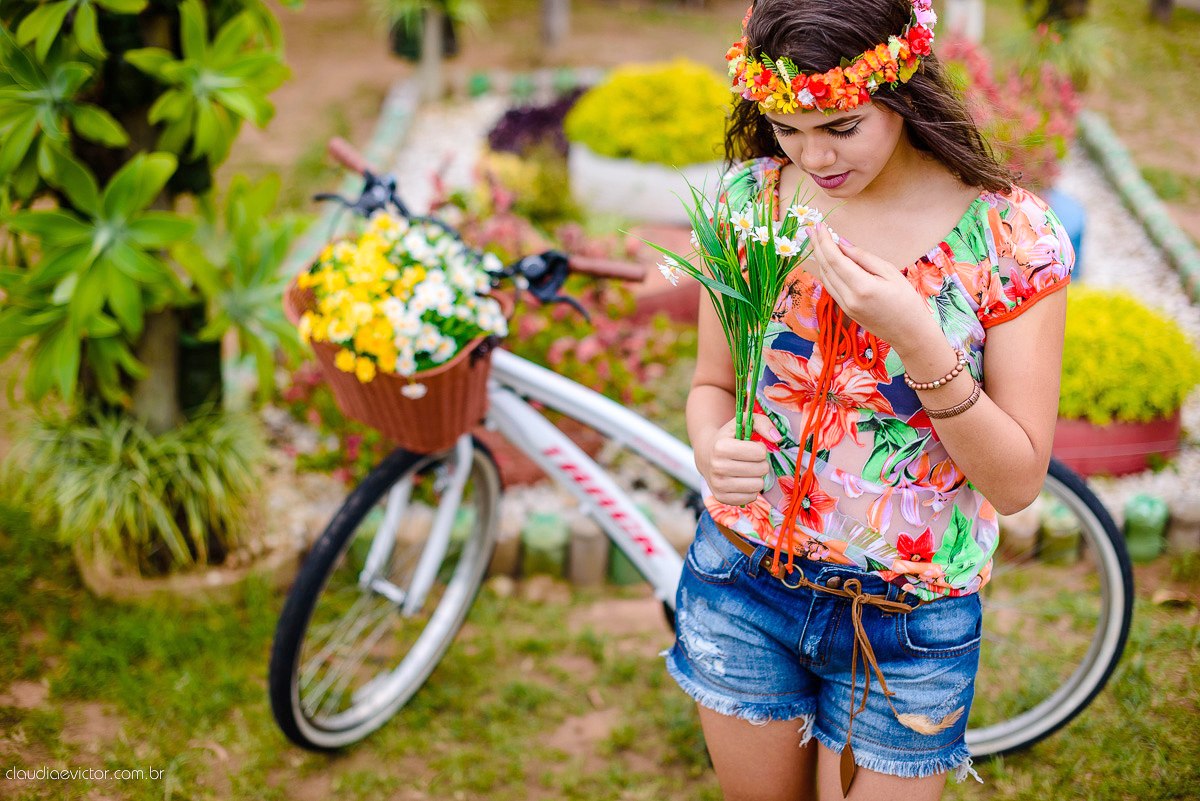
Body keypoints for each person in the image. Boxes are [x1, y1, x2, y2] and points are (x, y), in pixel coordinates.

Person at [664, 1, 1075, 799]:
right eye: (786, 127)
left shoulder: (1009, 240)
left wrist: (920, 341)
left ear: (902, 87)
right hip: (742, 583)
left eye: (842, 126)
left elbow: (1018, 482)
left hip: (907, 625)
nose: (812, 156)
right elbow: (711, 386)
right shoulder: (752, 205)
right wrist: (711, 444)